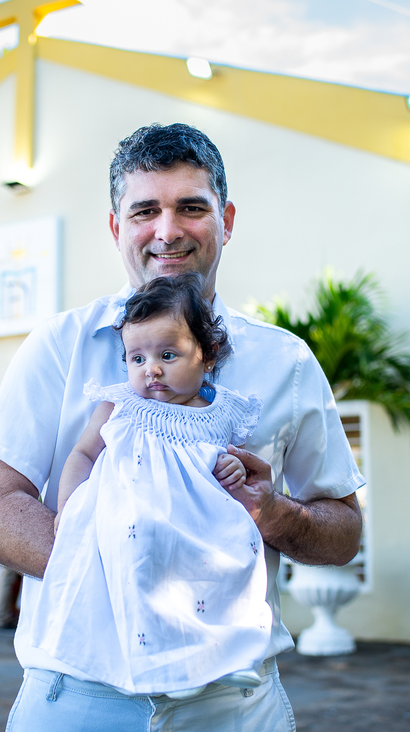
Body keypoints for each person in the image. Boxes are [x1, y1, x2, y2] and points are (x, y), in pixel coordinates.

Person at [0, 122, 364, 730]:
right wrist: (128, 574)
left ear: (226, 220)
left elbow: (343, 531)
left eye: (191, 208)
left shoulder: (284, 362)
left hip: (231, 705)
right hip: (78, 700)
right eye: (145, 210)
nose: (167, 231)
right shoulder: (58, 346)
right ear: (115, 227)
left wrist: (274, 513)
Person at [34, 273, 268, 697]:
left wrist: (234, 469)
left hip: (204, 521)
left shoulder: (224, 411)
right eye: (136, 358)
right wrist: (66, 508)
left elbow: (236, 463)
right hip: (134, 514)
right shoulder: (121, 403)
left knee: (235, 561)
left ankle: (227, 653)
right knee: (141, 564)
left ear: (208, 354)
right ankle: (154, 667)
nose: (151, 369)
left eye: (167, 354)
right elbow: (82, 454)